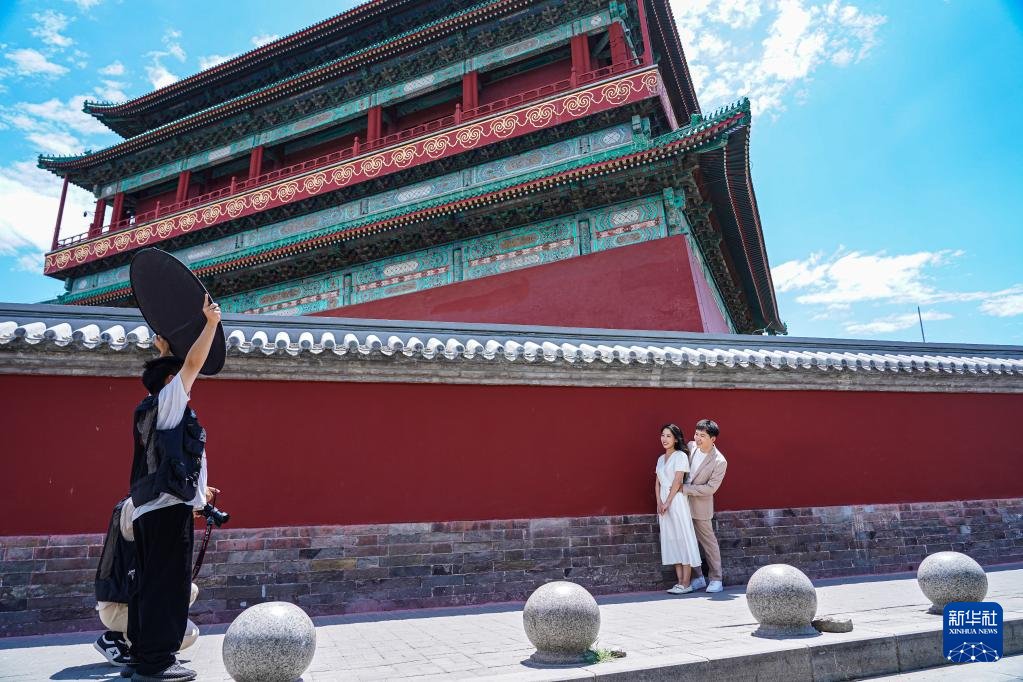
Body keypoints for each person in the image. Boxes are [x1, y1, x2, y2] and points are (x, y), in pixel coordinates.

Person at [127, 296, 221, 682]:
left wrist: (164, 353)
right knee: (169, 585)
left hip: (150, 509)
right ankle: (159, 661)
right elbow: (194, 364)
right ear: (170, 382)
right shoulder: (168, 400)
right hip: (167, 511)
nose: (187, 382)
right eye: (177, 376)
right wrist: (210, 323)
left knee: (148, 583)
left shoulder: (152, 406)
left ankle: (142, 656)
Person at [93, 496, 199, 669]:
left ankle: (129, 637)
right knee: (186, 633)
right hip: (118, 605)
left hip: (124, 597)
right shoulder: (139, 505)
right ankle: (118, 641)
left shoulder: (141, 499)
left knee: (189, 590)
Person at [655, 424, 702, 595]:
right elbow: (657, 482)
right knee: (672, 539)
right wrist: (659, 502)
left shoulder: (681, 456)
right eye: (663, 435)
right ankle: (679, 582)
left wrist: (667, 502)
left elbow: (677, 481)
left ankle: (686, 583)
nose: (665, 439)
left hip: (676, 500)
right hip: (663, 502)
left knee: (682, 538)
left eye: (669, 436)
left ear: (676, 439)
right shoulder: (661, 458)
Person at [684, 419, 728, 593]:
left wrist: (685, 489)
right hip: (682, 504)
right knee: (688, 542)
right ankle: (698, 578)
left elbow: (711, 488)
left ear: (713, 439)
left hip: (701, 507)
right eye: (696, 434)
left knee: (708, 544)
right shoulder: (690, 447)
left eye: (702, 436)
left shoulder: (719, 461)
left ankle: (716, 579)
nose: (698, 438)